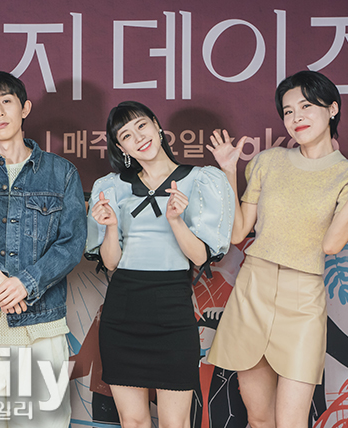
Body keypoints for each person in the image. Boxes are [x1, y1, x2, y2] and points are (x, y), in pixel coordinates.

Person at [206, 70, 348, 428]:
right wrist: (228, 170)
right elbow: (238, 232)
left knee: (292, 421)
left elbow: (332, 244)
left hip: (302, 299)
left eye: (305, 106)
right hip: (252, 289)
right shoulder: (267, 161)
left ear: (332, 109)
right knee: (258, 418)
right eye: (287, 111)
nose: (295, 117)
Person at [0, 70, 87, 428]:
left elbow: (72, 243)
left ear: (24, 108)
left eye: (6, 101)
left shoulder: (62, 173)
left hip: (42, 329)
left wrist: (26, 282)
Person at [85, 101, 235, 428]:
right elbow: (111, 262)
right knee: (133, 421)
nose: (138, 137)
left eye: (141, 126)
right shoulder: (111, 187)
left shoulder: (200, 179)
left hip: (173, 309)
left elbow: (200, 257)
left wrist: (177, 221)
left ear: (156, 124)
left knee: (174, 424)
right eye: (126, 135)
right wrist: (111, 226)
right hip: (122, 311)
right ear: (121, 148)